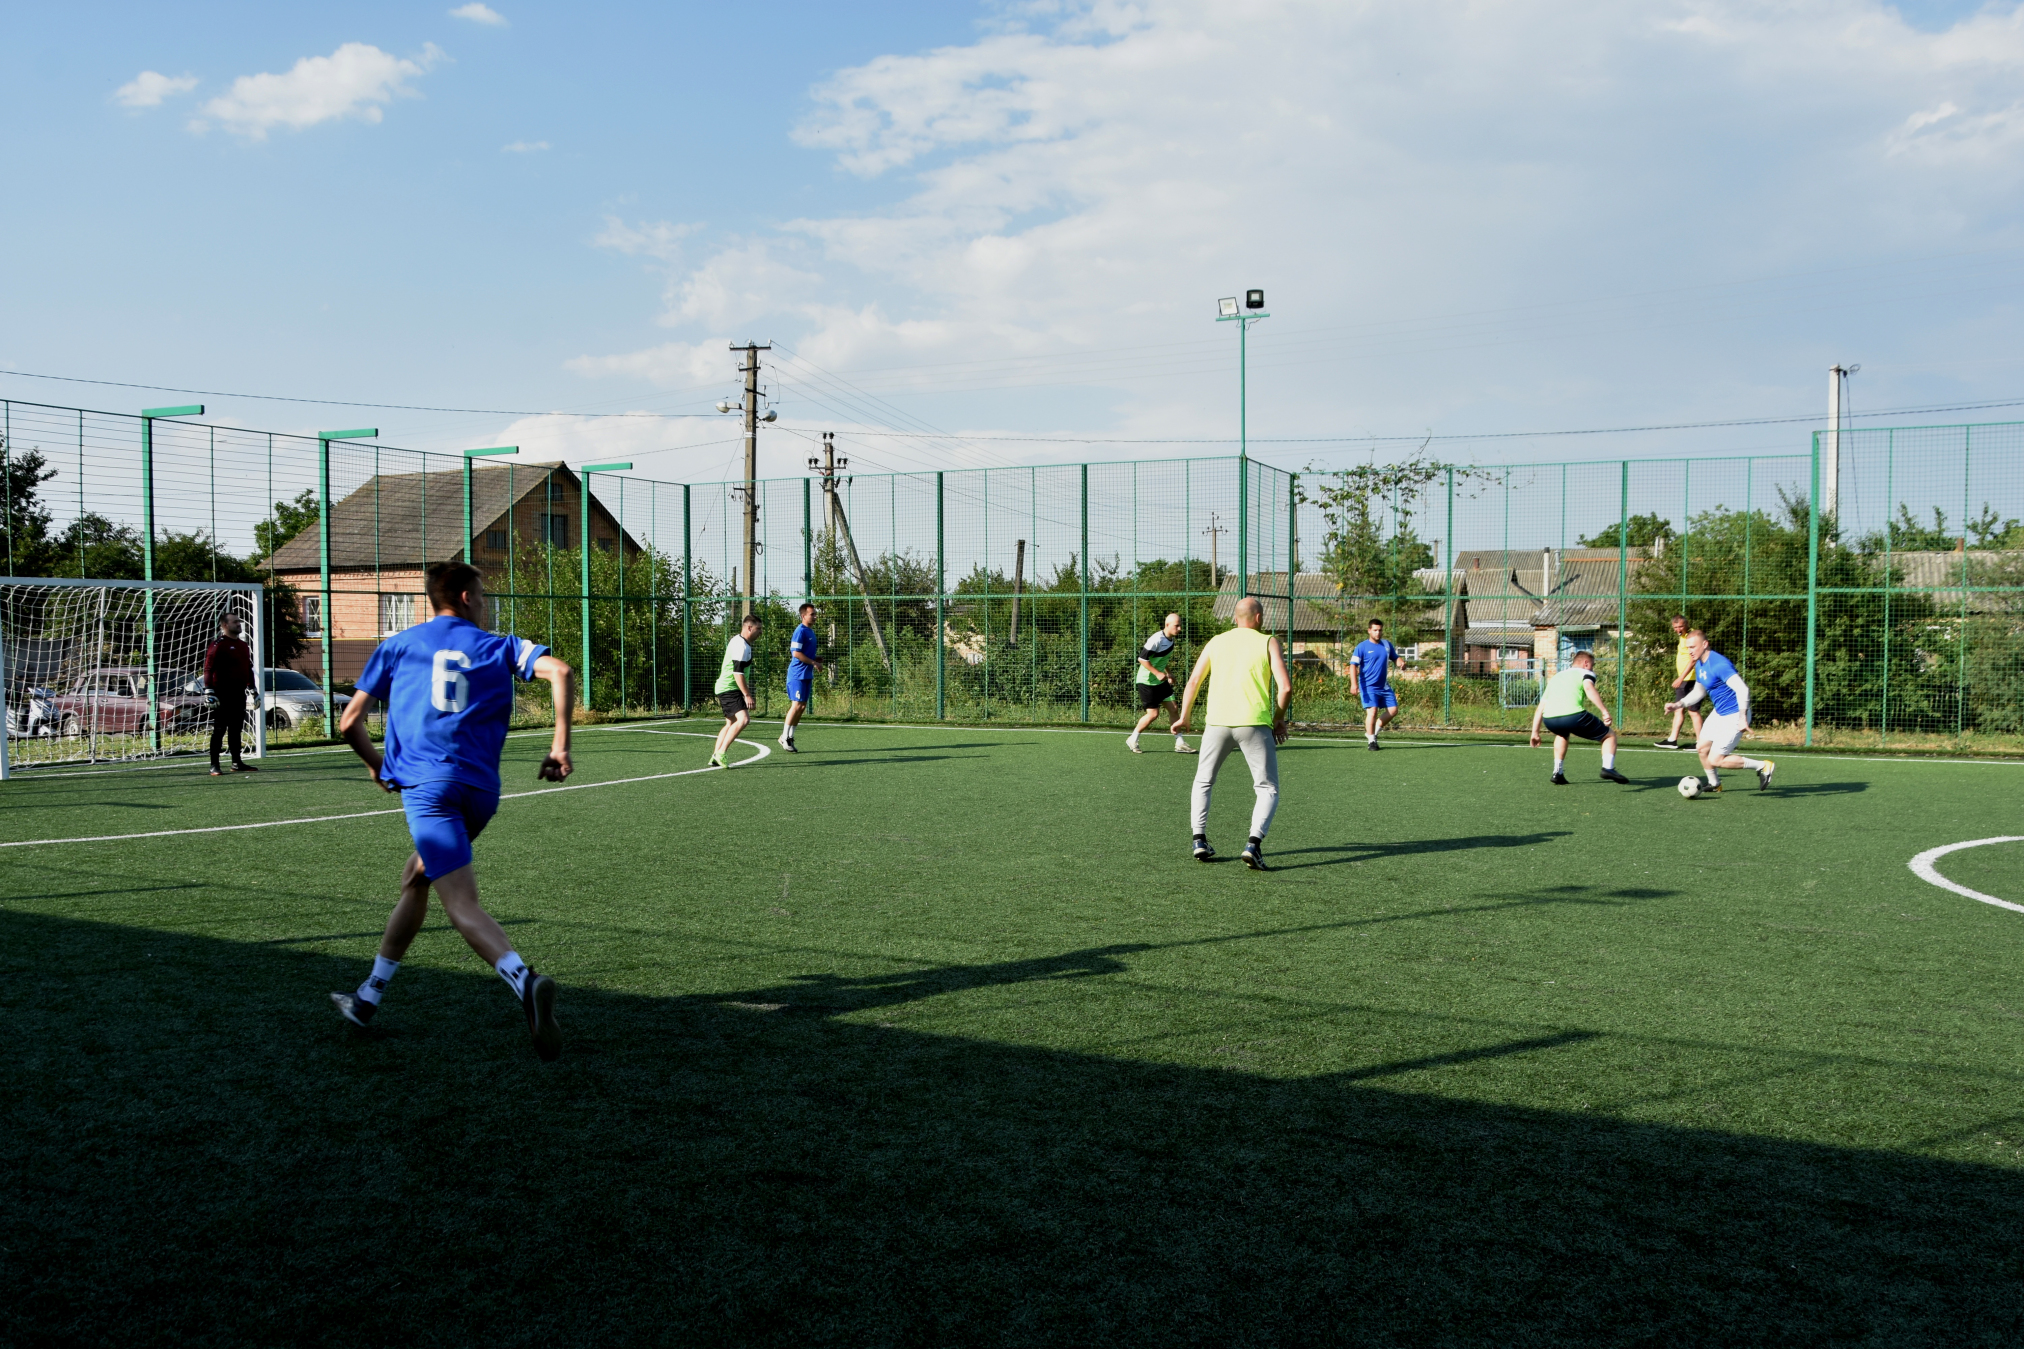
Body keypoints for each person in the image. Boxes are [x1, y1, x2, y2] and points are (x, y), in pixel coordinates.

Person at [329, 561, 574, 1061]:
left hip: (430, 791)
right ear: (465, 597)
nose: (485, 603)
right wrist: (559, 746)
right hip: (480, 792)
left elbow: (349, 721)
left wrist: (376, 766)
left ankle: (524, 981)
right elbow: (561, 671)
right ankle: (368, 996)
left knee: (461, 903)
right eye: (482, 595)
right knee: (416, 878)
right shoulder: (500, 646)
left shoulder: (398, 645)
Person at [1175, 596, 1292, 871]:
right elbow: (1285, 687)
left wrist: (1184, 716)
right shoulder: (1268, 641)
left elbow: (1194, 681)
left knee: (1203, 781)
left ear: (1235, 618)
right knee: (1267, 788)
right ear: (1259, 618)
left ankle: (1199, 840)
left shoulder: (1216, 641)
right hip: (1254, 723)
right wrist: (1278, 719)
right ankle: (1253, 845)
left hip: (1216, 723)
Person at [1665, 629, 1776, 792]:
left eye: (1693, 647)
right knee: (1702, 748)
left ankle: (1762, 766)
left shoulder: (1719, 664)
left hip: (1735, 714)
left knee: (1716, 759)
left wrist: (1742, 718)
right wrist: (1678, 705)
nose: (1690, 651)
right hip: (1719, 712)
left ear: (1705, 644)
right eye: (1688, 648)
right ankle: (1715, 784)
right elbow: (1699, 691)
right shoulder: (1700, 663)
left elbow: (1743, 689)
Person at [1529, 649, 1630, 785]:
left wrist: (1535, 733)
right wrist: (1604, 711)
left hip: (1550, 719)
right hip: (1573, 716)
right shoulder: (1586, 673)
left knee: (1562, 734)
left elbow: (1540, 708)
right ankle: (1608, 768)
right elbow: (1589, 689)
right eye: (1592, 665)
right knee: (1609, 736)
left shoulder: (1556, 677)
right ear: (1586, 663)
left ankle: (1557, 772)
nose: (1592, 668)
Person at [1126, 611, 1194, 754]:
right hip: (1147, 681)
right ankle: (1133, 738)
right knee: (1153, 714)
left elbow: (1161, 659)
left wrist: (1168, 673)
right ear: (1167, 625)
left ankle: (1180, 743)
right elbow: (1142, 659)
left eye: (1180, 626)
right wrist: (1157, 673)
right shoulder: (1156, 639)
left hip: (1160, 681)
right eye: (1176, 626)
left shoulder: (1170, 640)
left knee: (1174, 708)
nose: (1179, 629)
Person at [203, 614, 257, 776]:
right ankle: (214, 765)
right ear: (225, 625)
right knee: (219, 729)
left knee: (236, 729)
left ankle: (236, 762)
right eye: (235, 622)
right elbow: (208, 668)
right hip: (221, 693)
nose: (239, 624)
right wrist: (209, 690)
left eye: (239, 621)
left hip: (238, 693)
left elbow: (247, 668)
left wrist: (253, 689)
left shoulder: (243, 645)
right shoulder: (218, 644)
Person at [712, 612, 761, 768]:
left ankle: (715, 755)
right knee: (744, 720)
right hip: (729, 688)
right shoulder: (741, 646)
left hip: (726, 687)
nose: (760, 632)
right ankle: (721, 753)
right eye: (758, 629)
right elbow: (737, 673)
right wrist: (747, 695)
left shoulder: (739, 641)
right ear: (749, 628)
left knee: (730, 723)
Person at [1348, 618, 1402, 750]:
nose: (1378, 633)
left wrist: (1400, 662)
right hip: (1368, 686)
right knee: (1372, 711)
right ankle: (1371, 741)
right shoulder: (1362, 647)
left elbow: (1395, 657)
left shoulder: (1387, 645)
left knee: (1393, 710)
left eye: (1380, 630)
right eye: (1375, 630)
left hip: (1383, 686)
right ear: (1369, 631)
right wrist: (1354, 684)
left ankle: (1373, 732)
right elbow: (1353, 665)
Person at [1655, 614, 1704, 750]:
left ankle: (1700, 742)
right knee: (1678, 709)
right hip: (1685, 680)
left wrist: (1680, 678)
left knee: (1693, 711)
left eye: (1681, 626)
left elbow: (1693, 660)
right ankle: (1672, 740)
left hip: (1691, 679)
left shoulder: (1691, 637)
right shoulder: (1683, 637)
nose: (1678, 629)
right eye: (1675, 627)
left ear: (1686, 625)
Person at [780, 603, 821, 753]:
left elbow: (804, 653)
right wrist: (813, 662)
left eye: (815, 614)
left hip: (806, 674)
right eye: (812, 614)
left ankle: (790, 737)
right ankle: (784, 737)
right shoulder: (800, 631)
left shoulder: (810, 631)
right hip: (797, 675)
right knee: (796, 705)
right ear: (803, 616)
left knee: (802, 707)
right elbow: (796, 653)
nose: (815, 616)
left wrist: (815, 659)